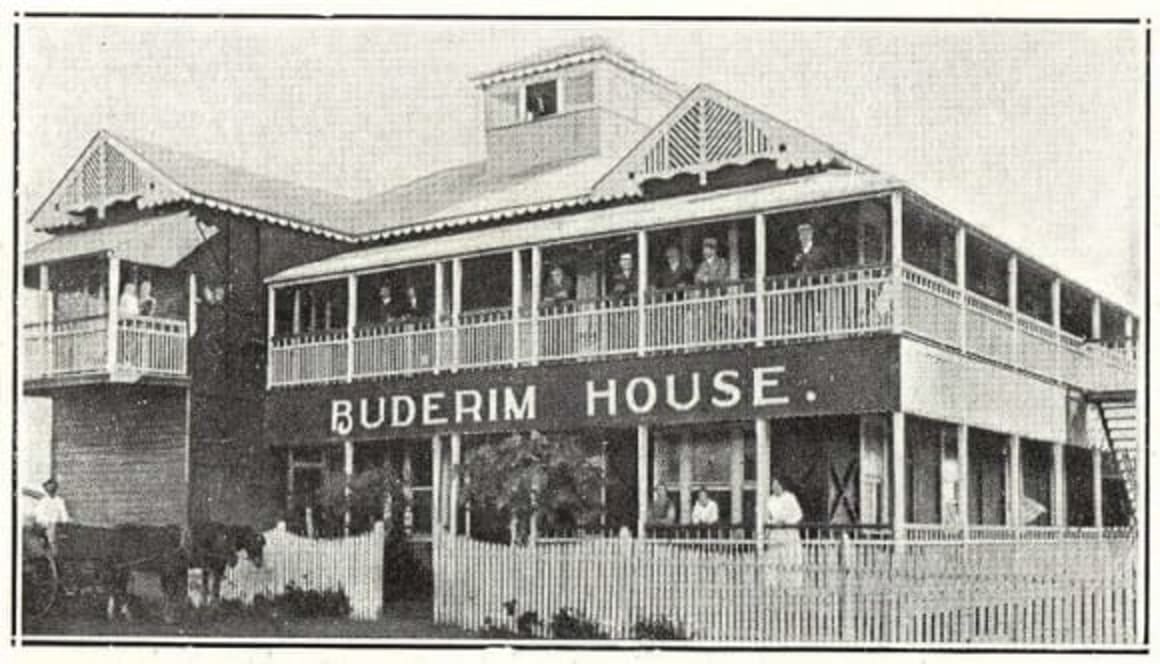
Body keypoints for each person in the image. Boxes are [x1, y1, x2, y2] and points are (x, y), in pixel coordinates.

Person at [764, 477, 803, 589]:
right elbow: (767, 517)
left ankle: (791, 585)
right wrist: (772, 523)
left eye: (777, 484)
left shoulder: (790, 498)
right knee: (773, 559)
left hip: (788, 532)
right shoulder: (770, 500)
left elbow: (798, 515)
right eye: (773, 485)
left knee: (789, 558)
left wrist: (786, 522)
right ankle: (772, 585)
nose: (774, 487)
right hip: (776, 534)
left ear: (782, 485)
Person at [32, 478, 70, 556]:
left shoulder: (59, 501)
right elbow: (39, 514)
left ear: (56, 489)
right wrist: (45, 522)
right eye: (49, 489)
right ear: (46, 490)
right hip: (44, 524)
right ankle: (47, 549)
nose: (51, 491)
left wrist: (64, 522)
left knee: (54, 534)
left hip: (55, 524)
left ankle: (54, 552)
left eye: (53, 488)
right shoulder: (43, 501)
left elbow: (63, 513)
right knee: (48, 533)